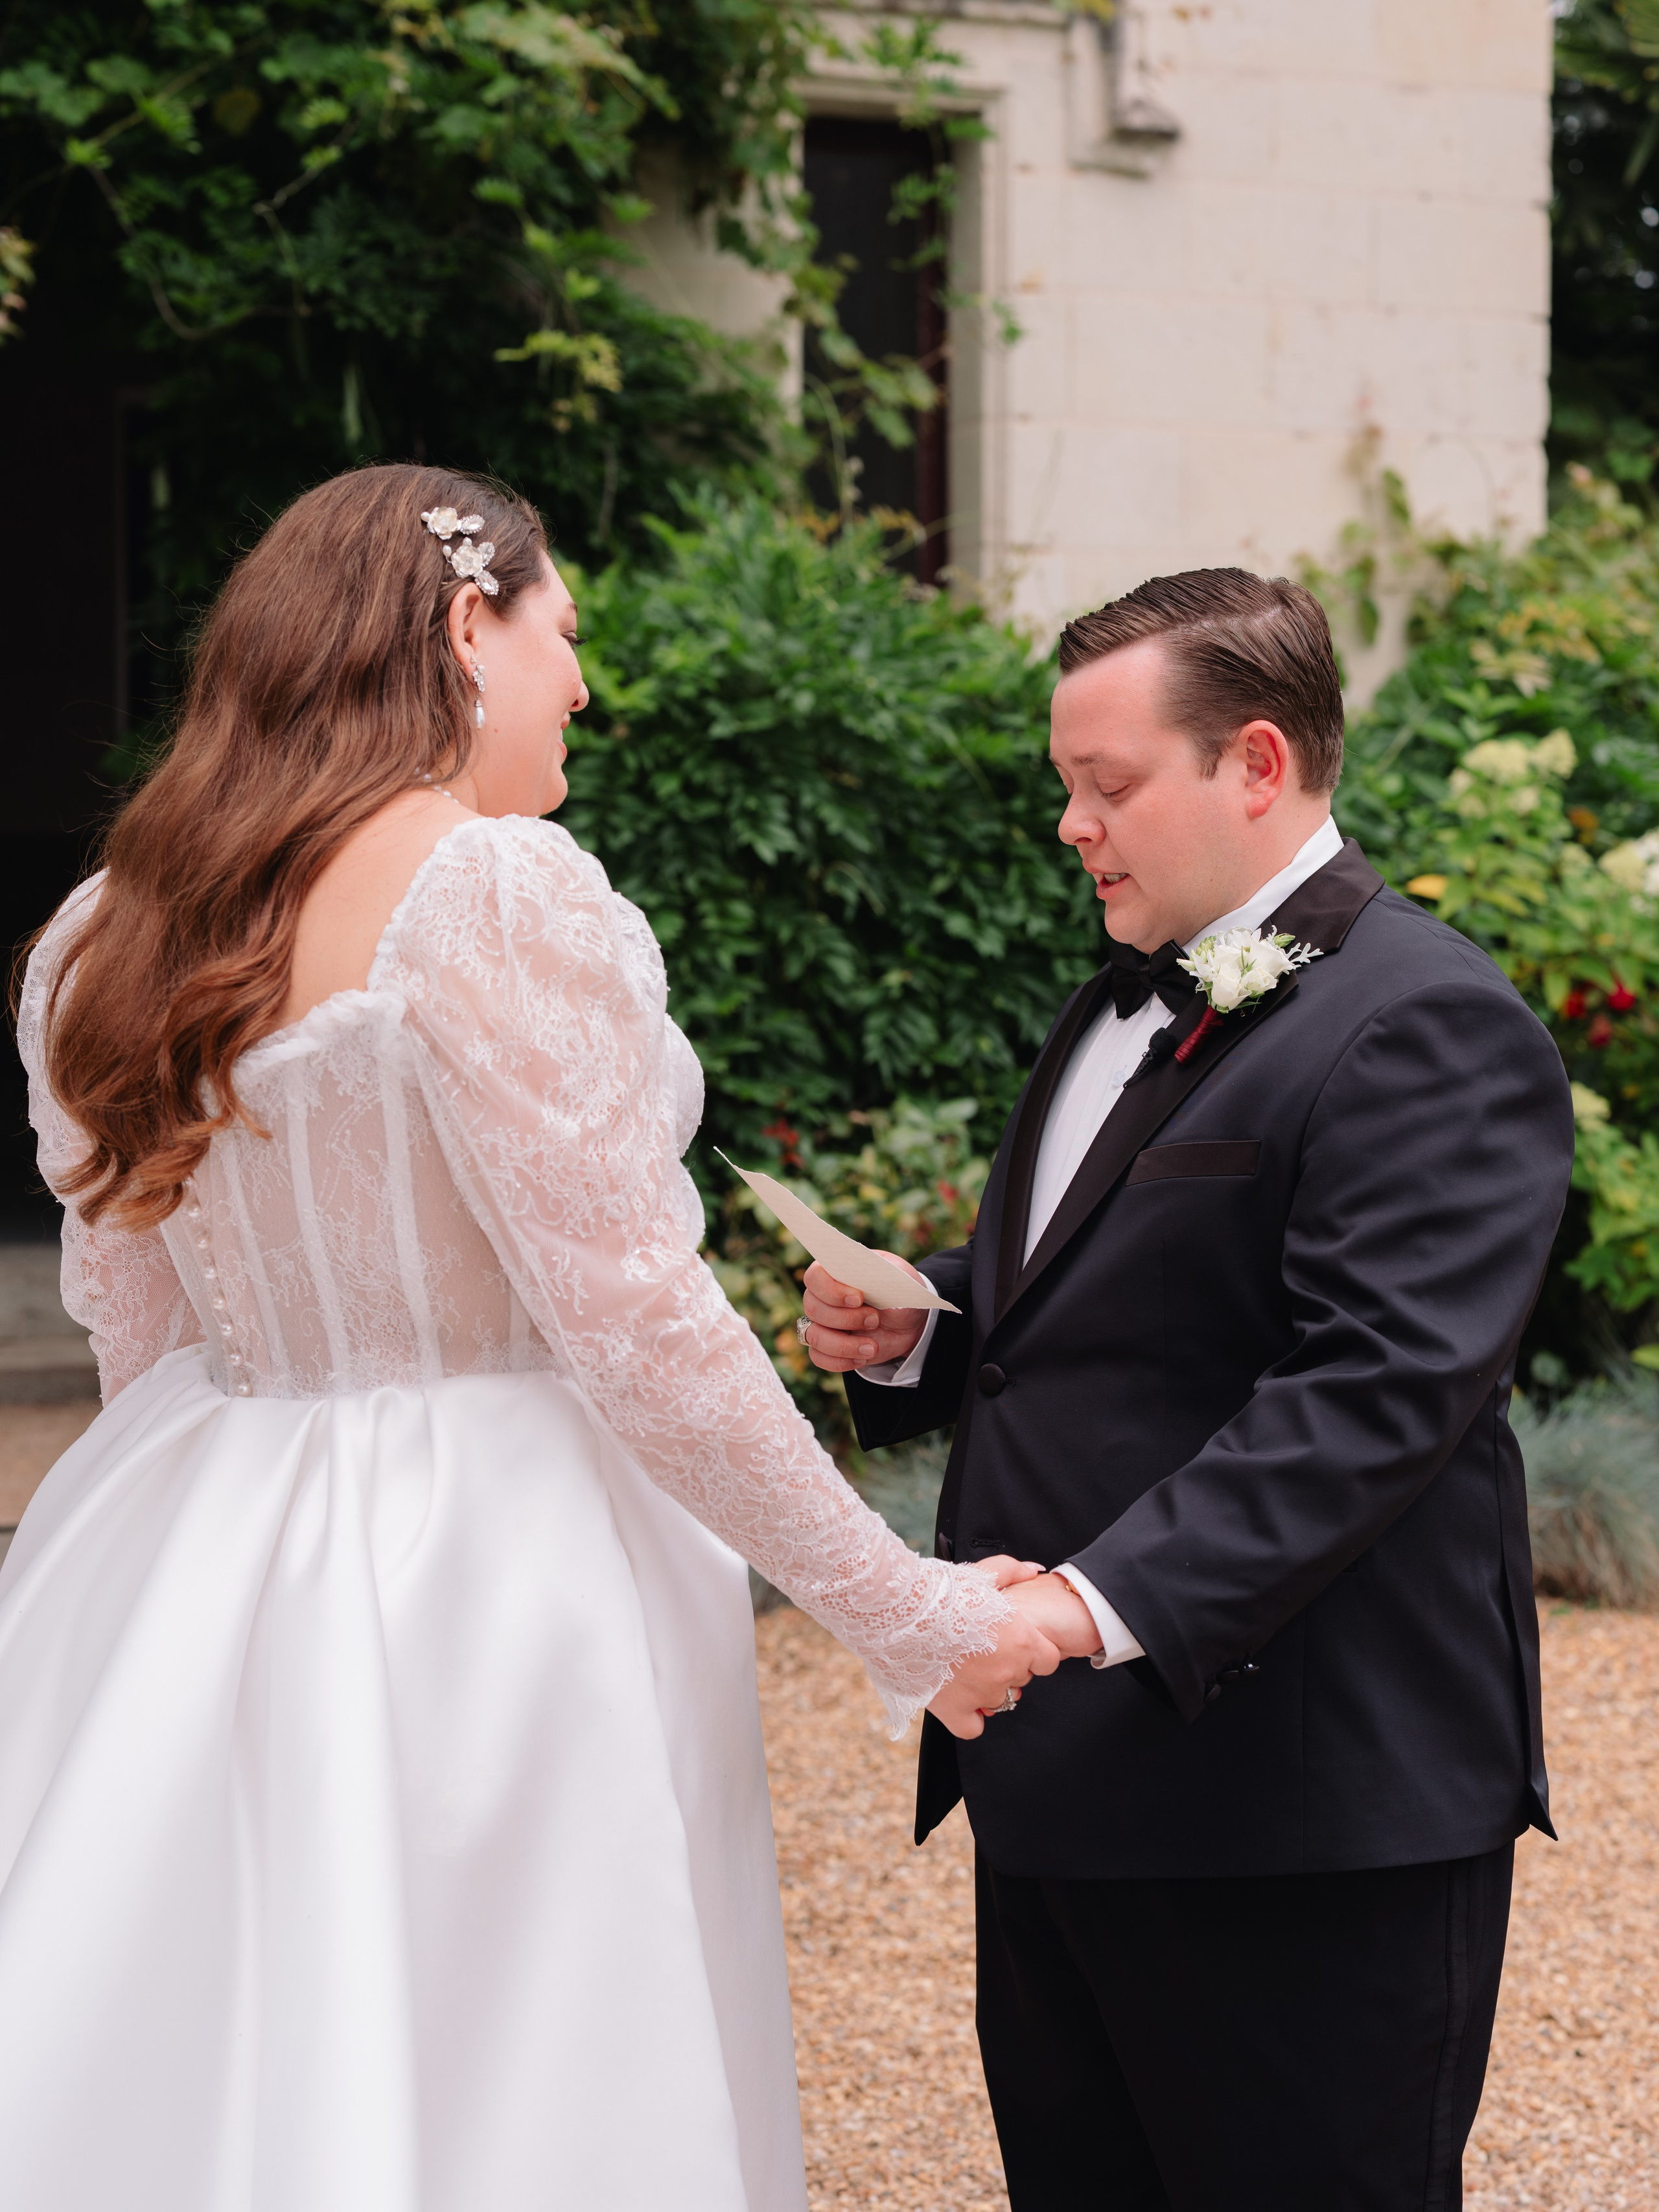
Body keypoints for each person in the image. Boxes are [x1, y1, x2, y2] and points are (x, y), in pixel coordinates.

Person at [3, 463, 1060, 2212]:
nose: (583, 684)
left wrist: (213, 1584)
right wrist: (914, 1612)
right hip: (488, 1570)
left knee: (238, 2015)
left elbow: (136, 1318)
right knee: (527, 2058)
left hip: (187, 1533)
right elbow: (644, 1326)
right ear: (458, 627)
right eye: (562, 635)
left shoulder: (106, 927)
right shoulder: (493, 888)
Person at [802, 569, 1574, 2211]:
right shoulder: (1126, 986)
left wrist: (1079, 1607)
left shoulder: (1425, 1019)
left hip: (1297, 1814)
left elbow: (1373, 1388)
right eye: (1063, 788)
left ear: (1256, 763)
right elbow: (1135, 1284)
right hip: (1068, 1786)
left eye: (1107, 786)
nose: (1074, 827)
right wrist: (931, 1319)